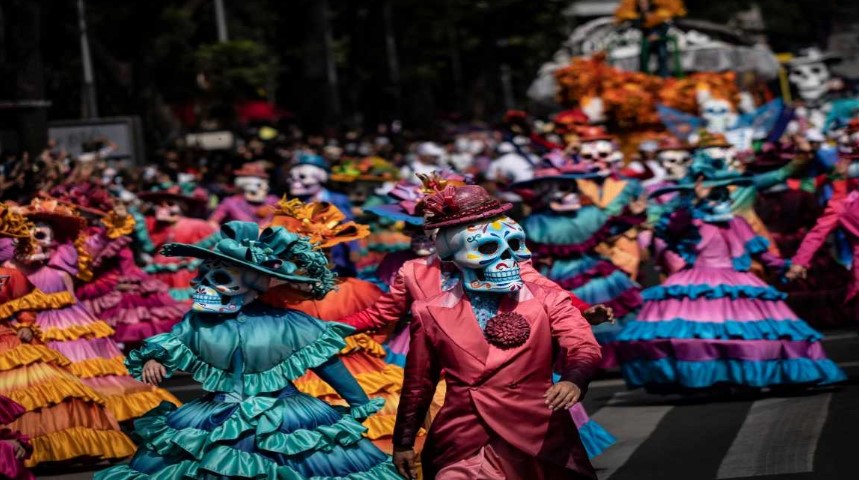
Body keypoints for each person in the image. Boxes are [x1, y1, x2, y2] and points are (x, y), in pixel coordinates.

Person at [95, 221, 400, 479]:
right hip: (215, 413)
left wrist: (358, 402)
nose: (205, 284)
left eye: (222, 276)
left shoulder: (291, 324)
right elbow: (173, 341)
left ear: (253, 283)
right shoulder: (198, 322)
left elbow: (326, 364)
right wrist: (152, 357)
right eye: (206, 273)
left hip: (284, 414)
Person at [392, 184, 602, 479]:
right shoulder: (429, 311)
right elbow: (419, 381)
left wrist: (574, 379)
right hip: (465, 438)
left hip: (538, 435)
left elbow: (582, 344)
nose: (509, 259)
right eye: (487, 248)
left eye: (515, 245)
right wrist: (403, 440)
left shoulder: (545, 298)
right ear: (451, 253)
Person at [615, 154, 845, 392]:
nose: (718, 196)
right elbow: (670, 229)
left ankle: (744, 376)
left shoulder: (736, 222)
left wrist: (787, 266)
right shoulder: (690, 221)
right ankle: (711, 378)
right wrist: (689, 203)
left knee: (750, 335)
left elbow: (762, 254)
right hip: (697, 281)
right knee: (699, 335)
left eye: (721, 191)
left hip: (736, 279)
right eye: (713, 191)